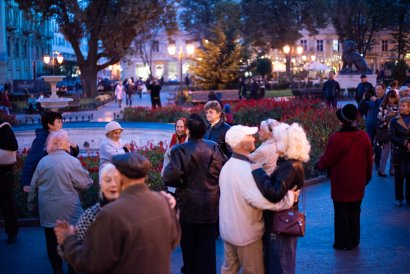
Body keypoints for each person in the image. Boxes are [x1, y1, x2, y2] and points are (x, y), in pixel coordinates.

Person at [55, 152, 181, 274]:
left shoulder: (111, 213)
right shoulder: (163, 201)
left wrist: (68, 239)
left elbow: (91, 263)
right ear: (145, 176)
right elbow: (174, 241)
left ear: (119, 176)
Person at [219, 125, 297, 274]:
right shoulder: (245, 169)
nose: (253, 138)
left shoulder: (228, 165)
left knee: (229, 269)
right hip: (246, 235)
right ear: (242, 142)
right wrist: (290, 198)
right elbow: (262, 201)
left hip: (228, 232)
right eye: (249, 136)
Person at [163, 114, 228, 274]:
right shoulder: (213, 147)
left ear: (188, 130)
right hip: (210, 204)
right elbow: (223, 169)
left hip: (188, 205)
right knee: (208, 249)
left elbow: (170, 177)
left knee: (189, 249)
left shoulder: (179, 150)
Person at [28, 130, 93, 274]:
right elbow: (85, 183)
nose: (69, 144)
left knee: (51, 241)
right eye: (67, 141)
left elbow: (33, 187)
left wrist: (31, 206)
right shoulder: (72, 161)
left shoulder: (43, 162)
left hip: (47, 209)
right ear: (62, 144)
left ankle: (56, 269)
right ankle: (72, 269)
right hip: (70, 210)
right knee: (71, 240)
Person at [251, 122, 310, 274]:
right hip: (283, 223)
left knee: (281, 265)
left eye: (277, 140)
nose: (274, 142)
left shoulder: (289, 166)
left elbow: (275, 193)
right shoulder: (289, 163)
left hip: (281, 225)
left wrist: (260, 173)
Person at [316, 104, 373, 250]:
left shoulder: (336, 138)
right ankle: (354, 240)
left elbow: (327, 159)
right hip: (358, 182)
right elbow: (369, 161)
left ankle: (343, 242)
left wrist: (319, 166)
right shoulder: (364, 136)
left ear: (342, 121)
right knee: (355, 212)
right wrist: (367, 178)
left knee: (341, 213)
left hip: (341, 182)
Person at [21, 111, 79, 193]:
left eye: (61, 121)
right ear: (50, 125)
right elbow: (31, 161)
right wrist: (26, 183)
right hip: (48, 181)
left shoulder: (59, 136)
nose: (61, 124)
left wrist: (75, 147)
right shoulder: (41, 140)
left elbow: (69, 155)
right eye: (58, 122)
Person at [389, 97, 410, 206]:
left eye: (404, 106)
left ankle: (409, 198)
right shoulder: (394, 120)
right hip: (398, 151)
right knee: (399, 175)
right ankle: (399, 198)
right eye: (400, 105)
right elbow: (392, 136)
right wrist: (405, 142)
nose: (401, 107)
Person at [0, 119, 18, 244]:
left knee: (7, 204)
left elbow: (13, 145)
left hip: (3, 173)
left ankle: (11, 232)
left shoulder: (4, 127)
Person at [359, 82, 385, 169]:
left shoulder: (385, 99)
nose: (377, 91)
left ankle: (378, 163)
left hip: (379, 126)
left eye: (379, 89)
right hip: (369, 125)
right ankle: (368, 162)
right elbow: (361, 108)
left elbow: (383, 106)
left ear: (383, 90)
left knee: (378, 146)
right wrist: (363, 99)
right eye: (376, 89)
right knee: (368, 144)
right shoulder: (371, 99)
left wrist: (376, 100)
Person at [161, 117, 188, 193]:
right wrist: (164, 172)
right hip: (172, 174)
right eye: (177, 127)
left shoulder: (188, 139)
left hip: (183, 176)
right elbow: (167, 156)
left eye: (181, 127)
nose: (179, 129)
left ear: (185, 127)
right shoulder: (173, 137)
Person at [375, 90, 399, 177]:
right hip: (386, 131)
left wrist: (397, 115)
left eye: (393, 98)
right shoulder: (383, 106)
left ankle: (392, 170)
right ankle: (381, 170)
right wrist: (387, 115)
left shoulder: (398, 106)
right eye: (390, 98)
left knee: (394, 152)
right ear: (387, 97)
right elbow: (379, 118)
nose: (391, 100)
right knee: (386, 151)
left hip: (396, 131)